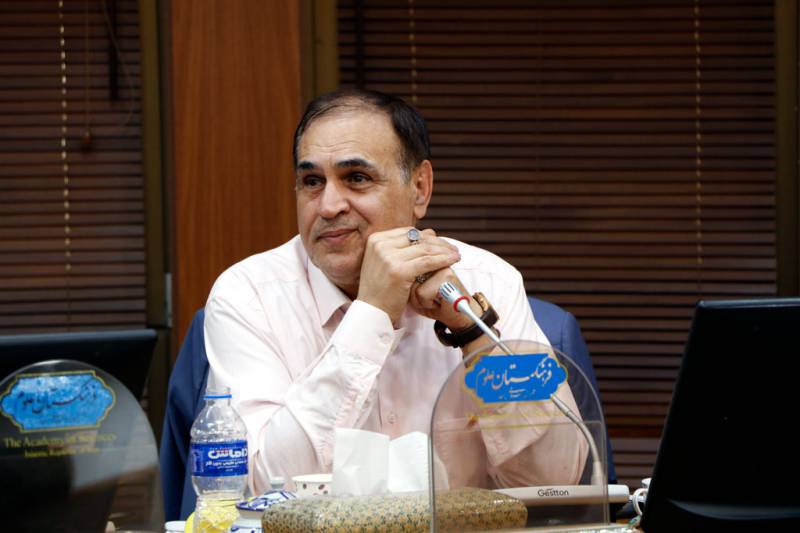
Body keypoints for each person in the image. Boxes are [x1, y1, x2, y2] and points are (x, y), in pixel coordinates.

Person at [204, 88, 587, 495]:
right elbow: (259, 490)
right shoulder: (248, 296)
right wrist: (372, 313)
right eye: (312, 182)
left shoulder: (489, 281)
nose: (328, 206)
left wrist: (472, 334)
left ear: (419, 188)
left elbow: (554, 481)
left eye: (357, 178)